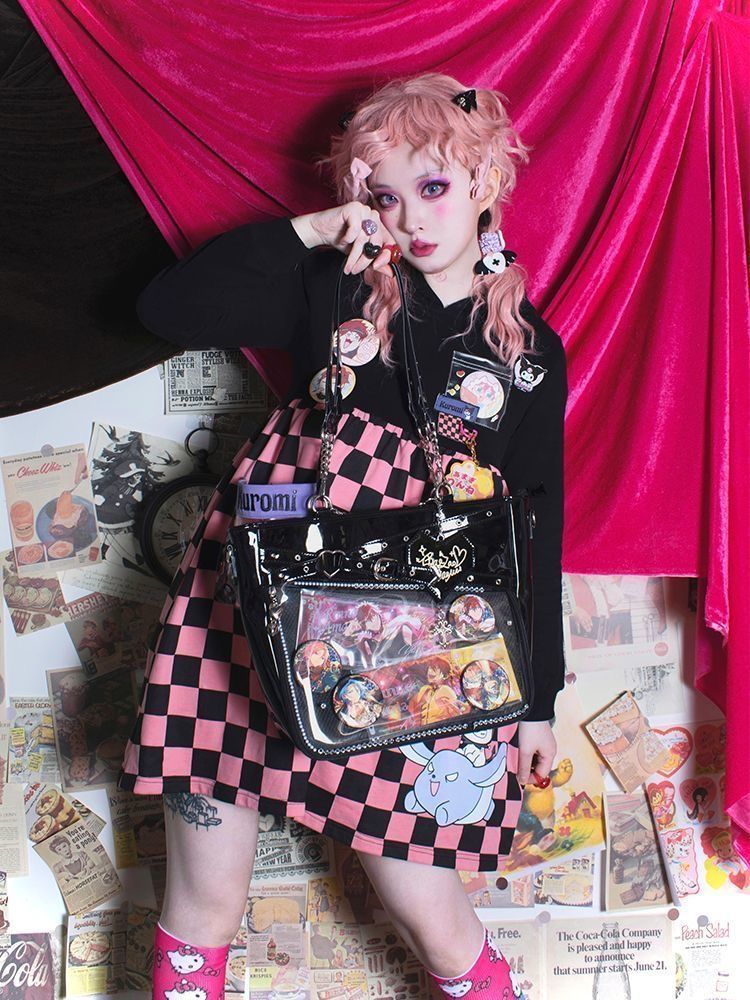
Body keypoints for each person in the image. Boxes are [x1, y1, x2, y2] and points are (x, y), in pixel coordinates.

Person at [119, 73, 567, 999]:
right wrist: (309, 231)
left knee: (433, 912)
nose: (412, 216)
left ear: (486, 179)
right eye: (386, 195)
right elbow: (164, 310)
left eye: (433, 186)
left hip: (412, 637)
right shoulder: (331, 284)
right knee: (205, 902)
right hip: (251, 605)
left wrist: (538, 699)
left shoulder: (527, 353)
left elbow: (535, 522)